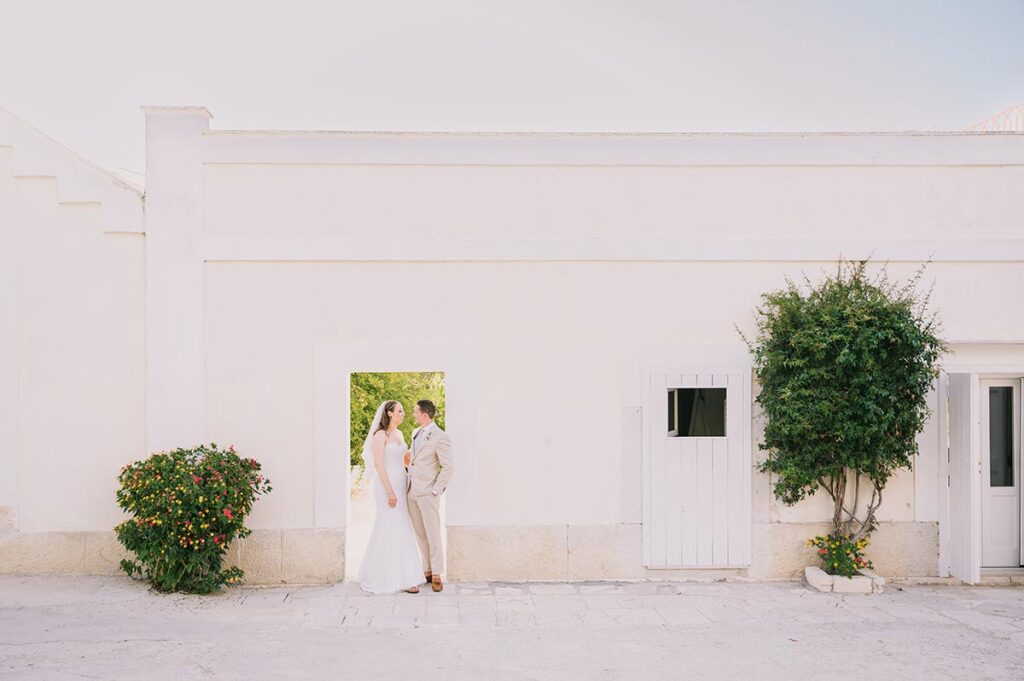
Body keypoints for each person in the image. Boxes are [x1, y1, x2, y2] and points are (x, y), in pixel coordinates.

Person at [357, 400, 424, 594]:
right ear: (389, 414)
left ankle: (407, 574)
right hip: (387, 483)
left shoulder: (400, 434)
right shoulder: (380, 435)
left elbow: (402, 459)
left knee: (403, 523)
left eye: (403, 411)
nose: (403, 414)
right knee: (389, 523)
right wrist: (389, 491)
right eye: (400, 411)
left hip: (400, 481)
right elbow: (379, 464)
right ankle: (388, 575)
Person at [406, 399, 454, 592]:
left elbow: (448, 466)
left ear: (425, 415)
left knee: (433, 533)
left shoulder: (441, 437)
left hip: (428, 493)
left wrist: (436, 490)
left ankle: (436, 573)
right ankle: (426, 569)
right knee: (420, 533)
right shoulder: (415, 433)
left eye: (416, 412)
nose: (413, 415)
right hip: (412, 492)